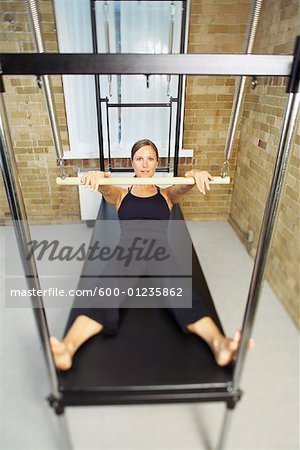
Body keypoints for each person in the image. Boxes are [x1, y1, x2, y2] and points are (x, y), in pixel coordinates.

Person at [50, 139, 245, 371]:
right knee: (104, 291)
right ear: (132, 163)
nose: (145, 164)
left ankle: (220, 344)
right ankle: (67, 348)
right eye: (140, 159)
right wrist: (96, 177)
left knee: (182, 292)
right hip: (128, 251)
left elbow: (185, 185)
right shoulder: (121, 194)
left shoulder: (167, 195)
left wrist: (193, 174)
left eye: (150, 159)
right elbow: (105, 188)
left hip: (160, 251)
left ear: (157, 164)